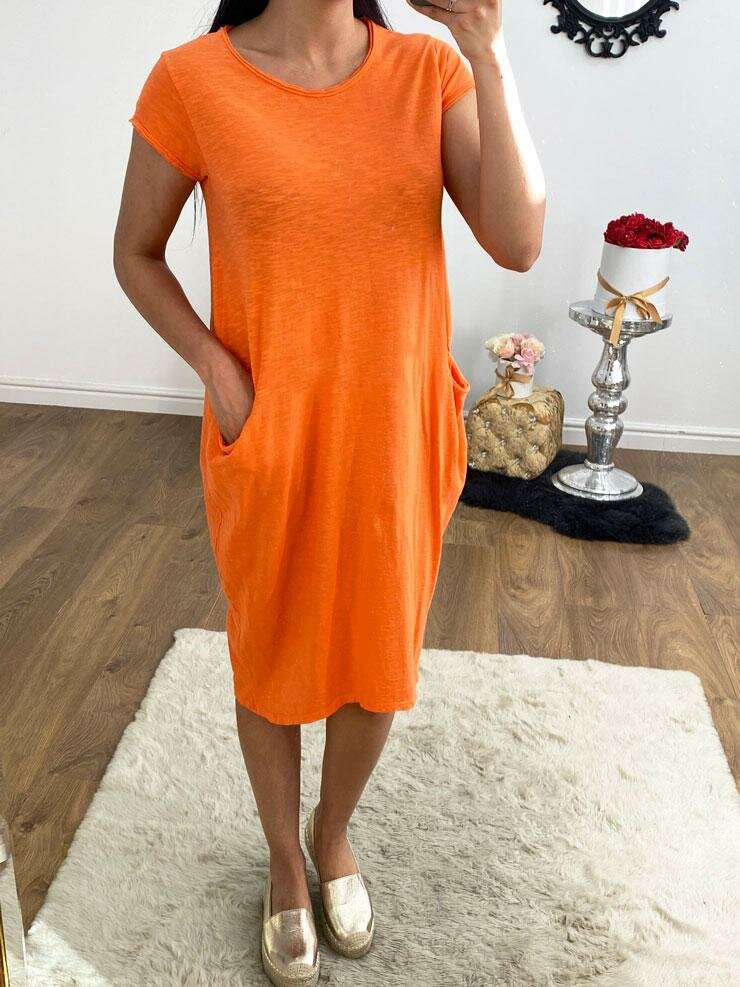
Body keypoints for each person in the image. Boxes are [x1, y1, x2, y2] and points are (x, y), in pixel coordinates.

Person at [113, 1, 544, 983]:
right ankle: (283, 862)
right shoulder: (192, 80)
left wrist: (487, 48)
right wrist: (217, 371)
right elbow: (134, 252)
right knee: (271, 648)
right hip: (270, 425)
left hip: (396, 426)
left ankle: (332, 831)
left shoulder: (427, 72)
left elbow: (517, 241)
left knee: (377, 653)